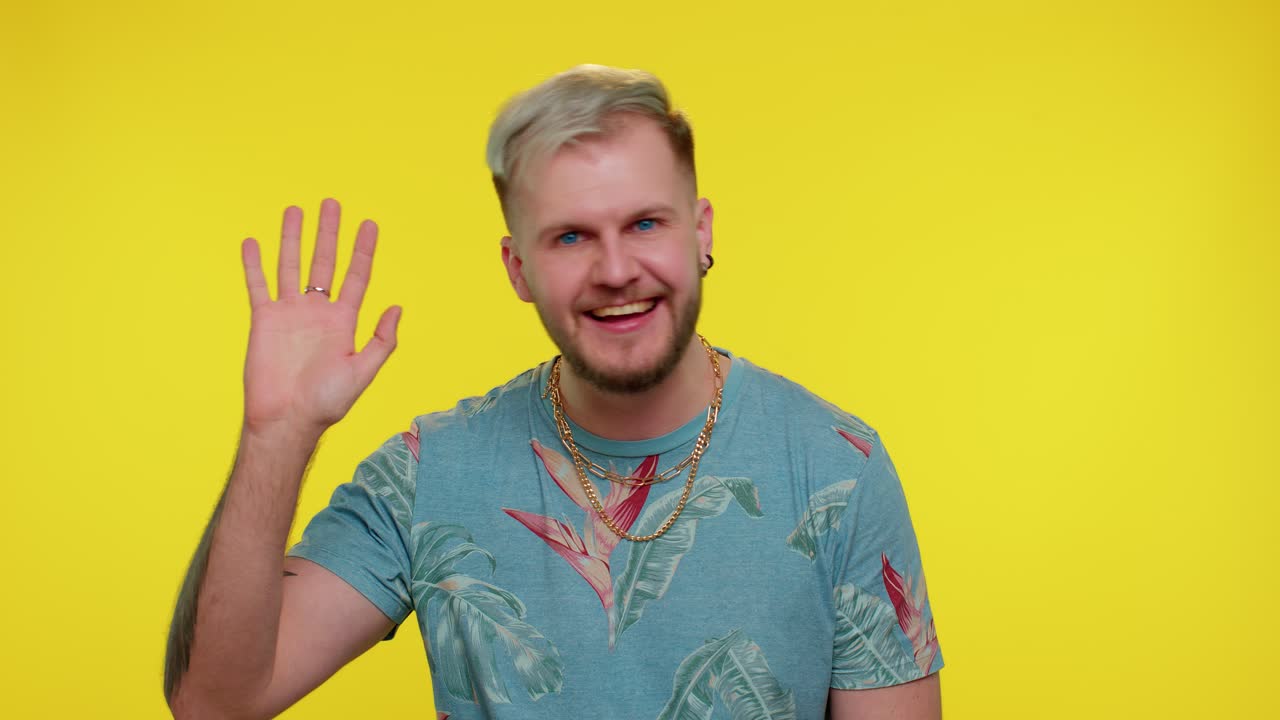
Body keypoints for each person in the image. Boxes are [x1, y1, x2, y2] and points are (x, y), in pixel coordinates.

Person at [164, 64, 943, 719]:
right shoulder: (430, 472)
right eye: (570, 236)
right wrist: (277, 436)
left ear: (700, 232)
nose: (614, 270)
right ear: (517, 269)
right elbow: (216, 703)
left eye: (644, 224)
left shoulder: (836, 467)